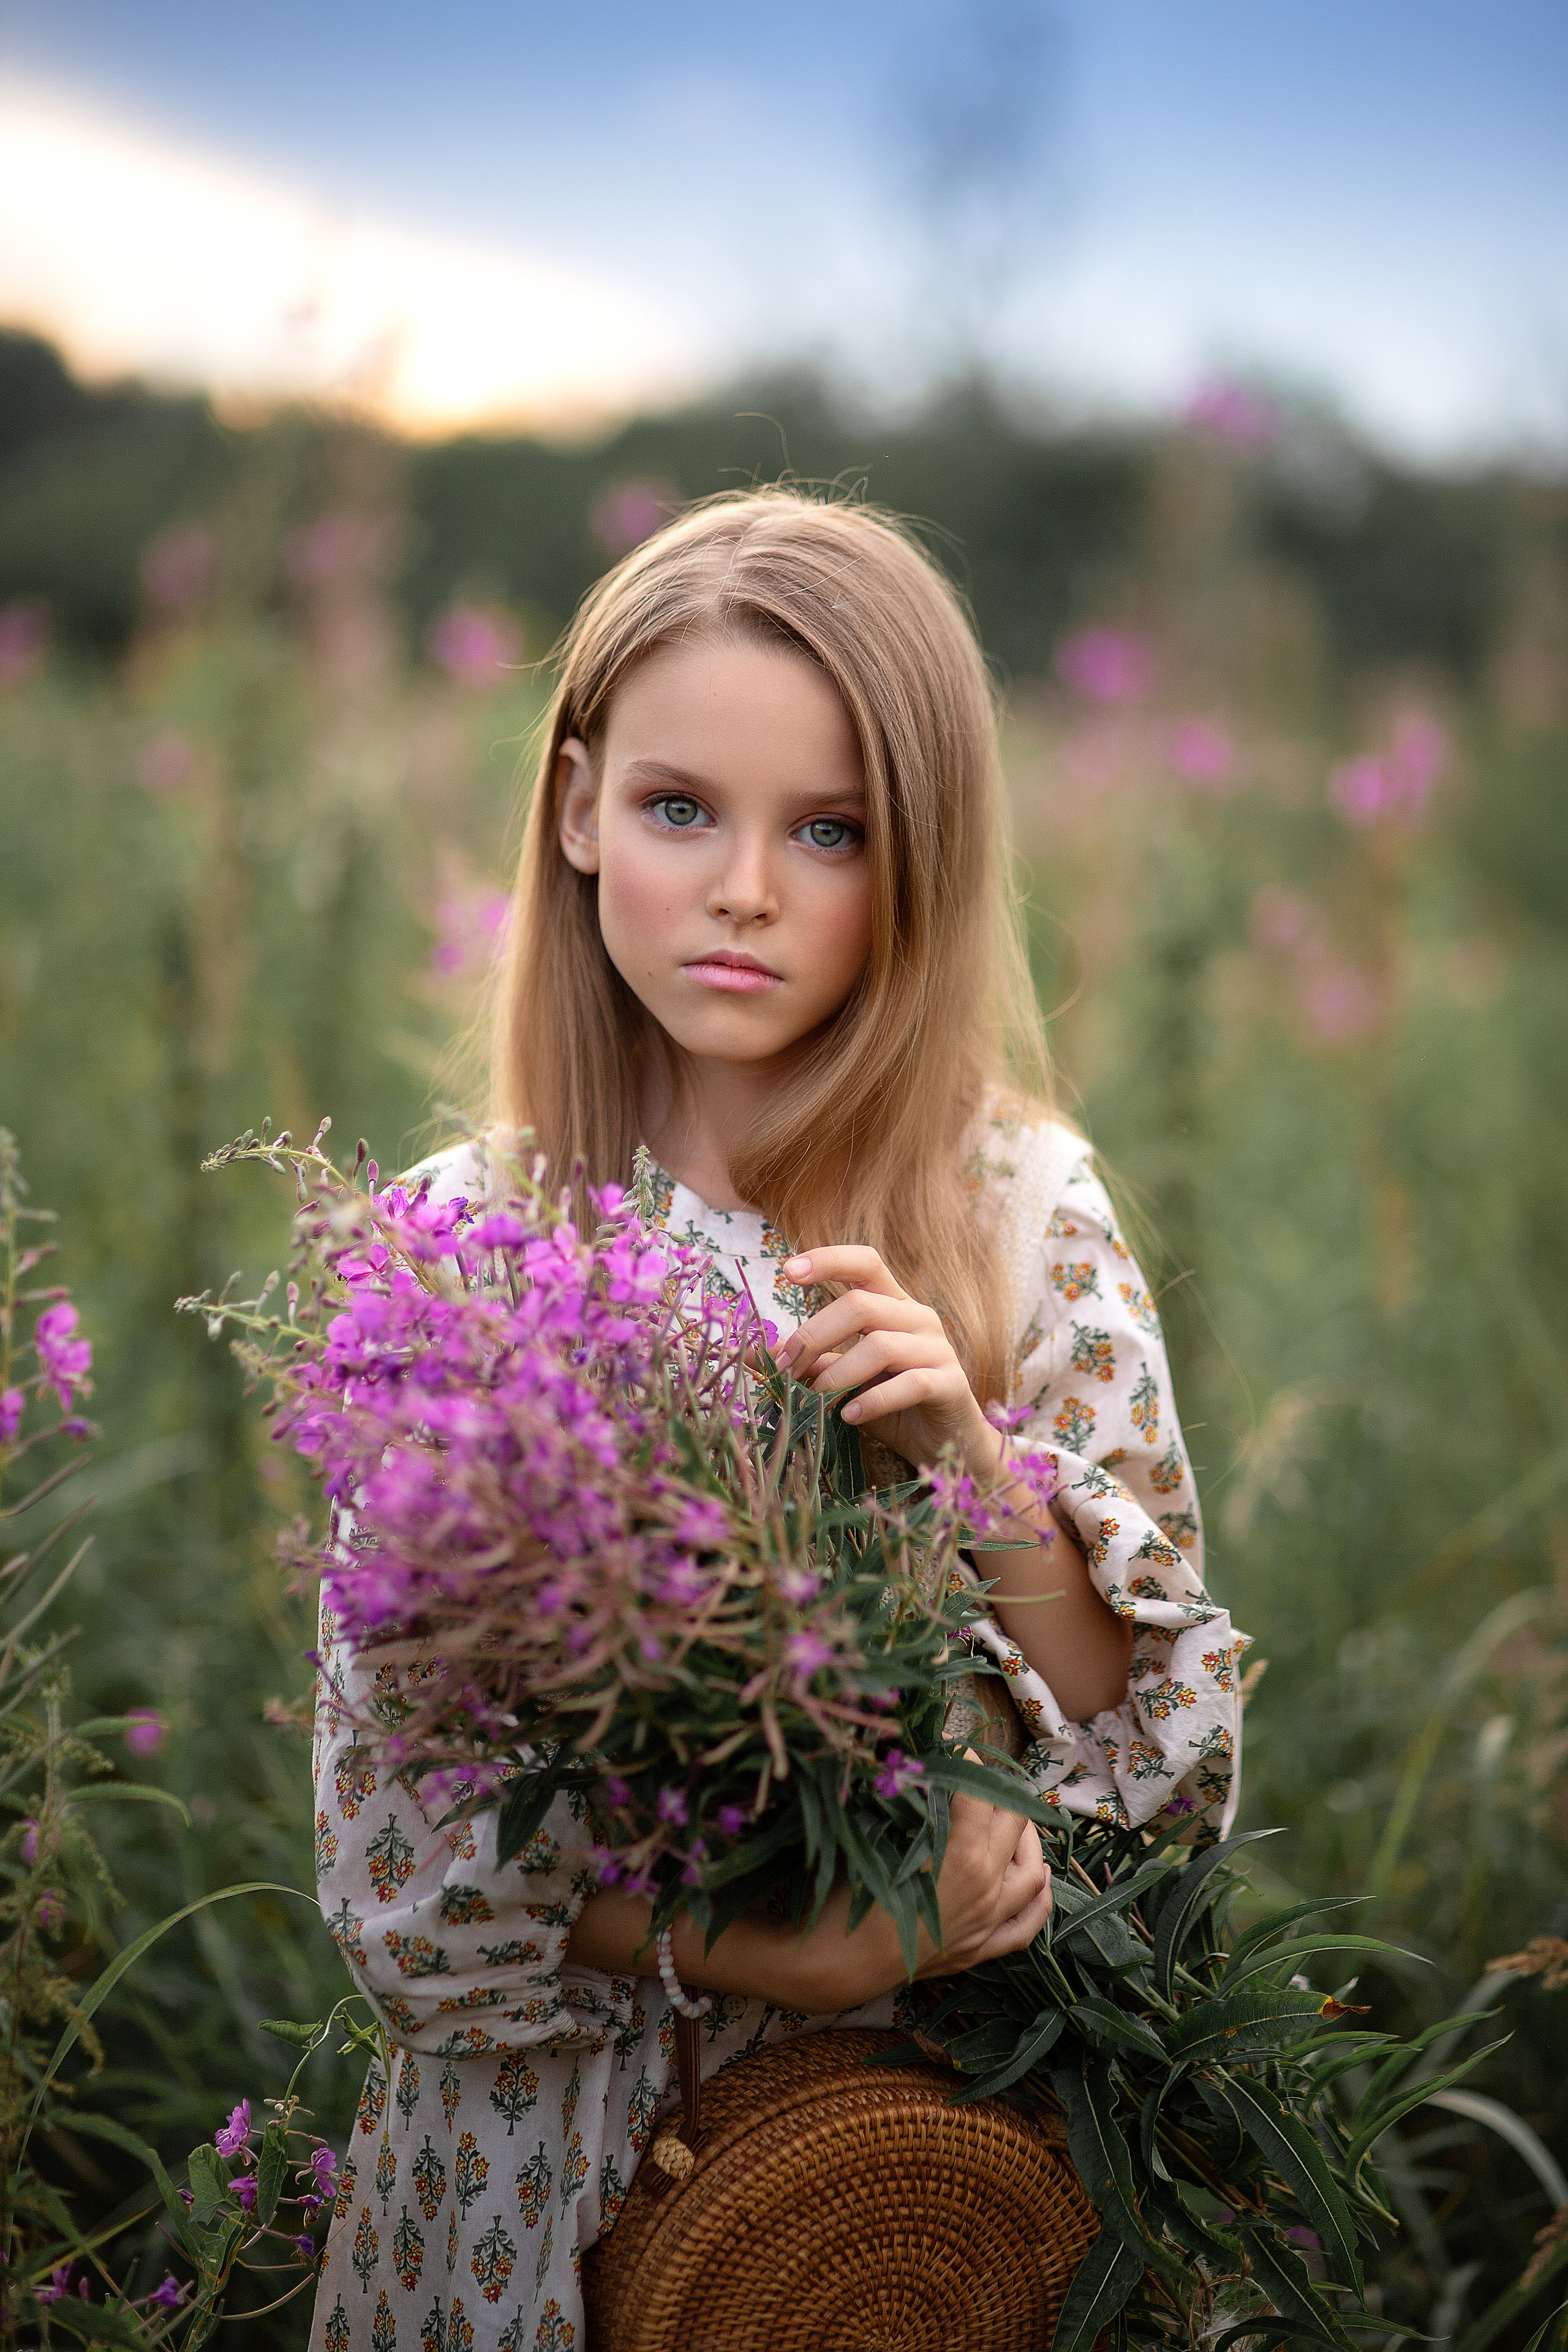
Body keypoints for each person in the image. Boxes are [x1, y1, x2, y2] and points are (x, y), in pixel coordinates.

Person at [310, 491, 1246, 2352]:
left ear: (923, 863)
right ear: (577, 810)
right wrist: (772, 1954)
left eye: (831, 831)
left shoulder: (1022, 1212)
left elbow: (1156, 1766)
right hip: (534, 2170)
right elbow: (395, 1852)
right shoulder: (460, 1245)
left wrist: (972, 1465)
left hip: (927, 2163)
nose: (746, 888)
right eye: (681, 809)